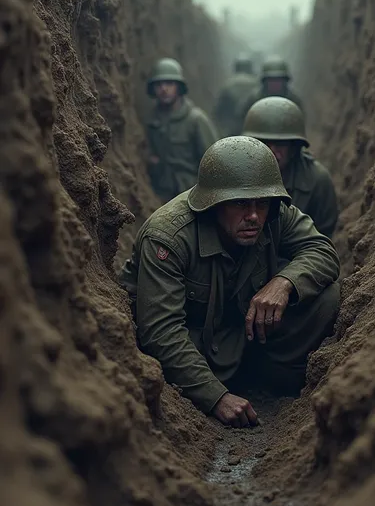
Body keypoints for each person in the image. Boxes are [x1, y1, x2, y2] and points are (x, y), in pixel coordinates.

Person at [120, 136, 340, 428]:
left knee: (327, 297)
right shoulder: (168, 238)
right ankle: (233, 379)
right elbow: (161, 330)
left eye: (260, 204)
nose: (253, 216)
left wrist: (285, 282)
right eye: (239, 204)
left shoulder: (274, 212)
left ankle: (270, 376)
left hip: (246, 334)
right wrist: (216, 397)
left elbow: (322, 250)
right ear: (214, 203)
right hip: (198, 346)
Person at [243, 97, 338, 237]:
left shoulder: (317, 180)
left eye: (280, 144)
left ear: (294, 147)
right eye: (263, 143)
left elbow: (321, 239)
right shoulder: (235, 174)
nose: (271, 151)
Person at [145, 57, 218, 202]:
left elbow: (214, 164)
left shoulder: (196, 119)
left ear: (179, 87)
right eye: (159, 84)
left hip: (191, 195)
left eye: (169, 83)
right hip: (161, 194)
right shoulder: (153, 121)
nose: (163, 89)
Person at [239, 54, 304, 123]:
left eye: (278, 80)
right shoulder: (253, 100)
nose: (275, 84)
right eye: (271, 80)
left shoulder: (294, 101)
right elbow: (242, 121)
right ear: (265, 82)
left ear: (284, 81)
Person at [213, 53, 257, 137]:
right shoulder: (256, 84)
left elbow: (219, 111)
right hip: (252, 130)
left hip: (231, 131)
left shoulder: (228, 85)